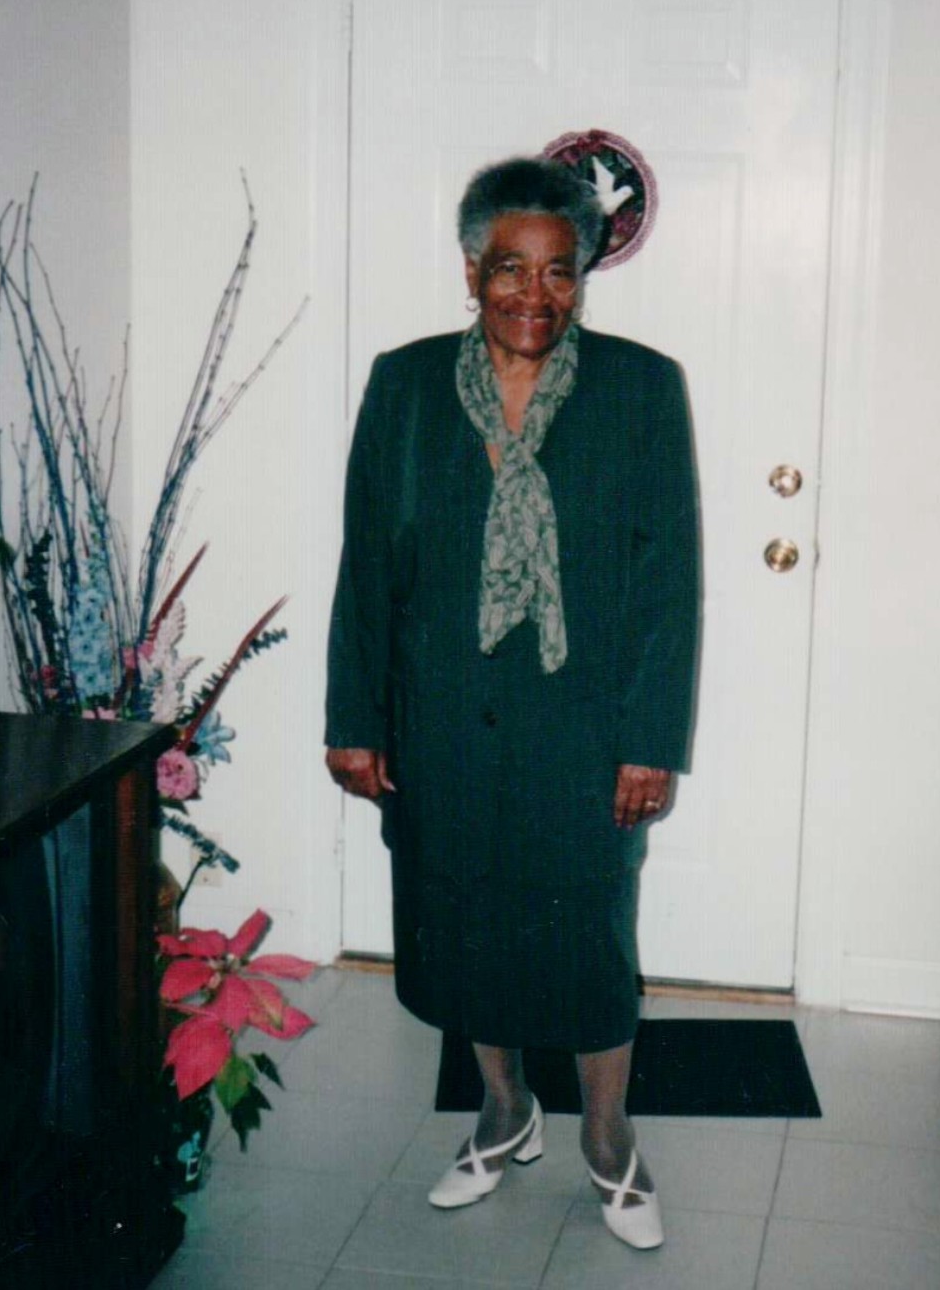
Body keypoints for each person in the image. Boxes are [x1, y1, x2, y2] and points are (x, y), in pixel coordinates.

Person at [324, 156, 701, 1251]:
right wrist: (354, 718)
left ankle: (607, 1138)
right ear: (470, 271)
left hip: (583, 727)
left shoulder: (640, 388)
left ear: (581, 278)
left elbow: (666, 582)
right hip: (439, 717)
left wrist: (649, 741)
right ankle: (502, 1110)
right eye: (509, 268)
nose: (535, 294)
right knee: (464, 928)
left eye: (558, 271)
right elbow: (367, 562)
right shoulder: (403, 385)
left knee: (589, 938)